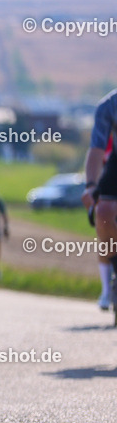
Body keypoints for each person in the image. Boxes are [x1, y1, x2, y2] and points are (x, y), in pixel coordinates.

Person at [82, 92, 117, 310]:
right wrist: (91, 185)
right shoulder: (108, 106)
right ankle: (107, 287)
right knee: (103, 213)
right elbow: (96, 148)